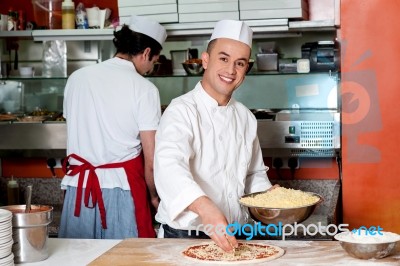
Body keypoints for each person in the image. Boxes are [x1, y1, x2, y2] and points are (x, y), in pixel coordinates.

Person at [154, 20, 273, 252]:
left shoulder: (246, 117)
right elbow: (169, 167)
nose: (231, 70)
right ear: (205, 60)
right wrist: (204, 207)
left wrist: (271, 198)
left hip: (236, 232)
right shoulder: (181, 110)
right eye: (224, 58)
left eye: (240, 63)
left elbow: (253, 174)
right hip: (185, 234)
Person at [59, 15, 167, 239]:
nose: (150, 68)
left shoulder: (77, 78)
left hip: (78, 189)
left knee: (77, 260)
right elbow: (152, 160)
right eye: (154, 61)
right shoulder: (144, 89)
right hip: (122, 191)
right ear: (146, 53)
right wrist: (155, 197)